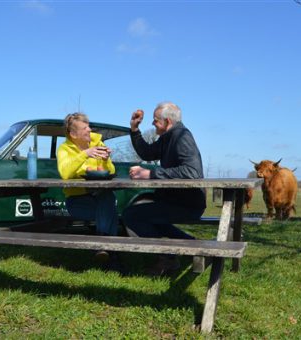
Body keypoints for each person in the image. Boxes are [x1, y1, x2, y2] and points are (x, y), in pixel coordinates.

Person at [122, 102, 206, 275]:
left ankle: (168, 258)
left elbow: (192, 172)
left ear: (167, 121)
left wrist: (151, 174)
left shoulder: (182, 137)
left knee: (132, 215)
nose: (152, 123)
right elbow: (147, 153)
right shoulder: (168, 136)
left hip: (188, 204)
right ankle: (192, 244)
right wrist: (134, 130)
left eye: (155, 120)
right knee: (143, 216)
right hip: (174, 201)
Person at [57, 112, 119, 267]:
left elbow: (110, 171)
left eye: (89, 126)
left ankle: (101, 244)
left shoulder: (98, 143)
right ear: (73, 134)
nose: (89, 130)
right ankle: (113, 256)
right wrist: (84, 154)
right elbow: (65, 173)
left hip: (99, 197)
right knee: (110, 210)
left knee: (108, 197)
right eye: (85, 128)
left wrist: (105, 160)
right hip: (77, 202)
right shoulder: (64, 149)